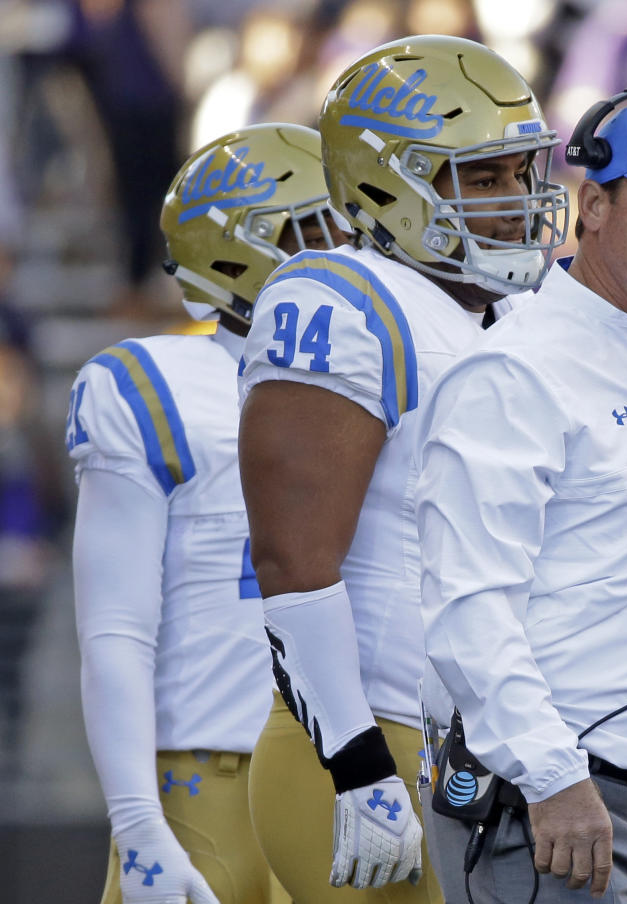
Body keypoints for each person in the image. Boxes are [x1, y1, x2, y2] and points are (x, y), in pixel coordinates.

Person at [236, 35, 569, 903]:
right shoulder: (341, 301)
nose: (515, 201)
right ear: (388, 184)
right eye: (482, 178)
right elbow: (294, 566)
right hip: (371, 741)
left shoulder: (513, 318)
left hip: (489, 744)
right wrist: (356, 766)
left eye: (520, 173)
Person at [413, 86, 627, 903]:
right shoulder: (516, 365)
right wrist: (551, 774)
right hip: (558, 810)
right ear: (593, 205)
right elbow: (468, 603)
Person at [67, 122, 340, 904]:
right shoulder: (157, 386)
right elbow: (115, 629)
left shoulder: (391, 381)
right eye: (320, 232)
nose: (353, 257)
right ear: (240, 249)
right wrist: (138, 824)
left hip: (352, 779)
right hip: (206, 790)